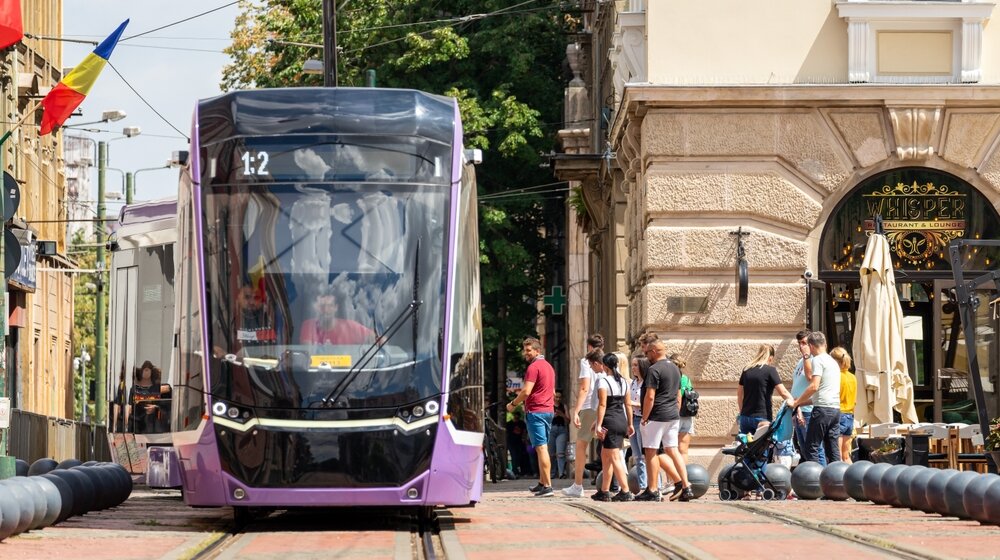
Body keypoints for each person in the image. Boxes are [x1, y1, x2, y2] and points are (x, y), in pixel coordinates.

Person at [638, 340, 693, 502]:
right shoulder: (676, 369)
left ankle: (653, 489)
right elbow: (678, 395)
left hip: (656, 416)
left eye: (647, 352)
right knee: (672, 450)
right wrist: (675, 411)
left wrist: (645, 417)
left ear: (655, 351)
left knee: (651, 451)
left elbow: (650, 397)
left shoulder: (654, 369)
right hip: (673, 416)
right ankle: (686, 485)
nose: (646, 356)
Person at [507, 337, 556, 497]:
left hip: (536, 411)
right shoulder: (549, 367)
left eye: (528, 350)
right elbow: (553, 392)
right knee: (541, 447)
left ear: (537, 351)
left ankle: (548, 486)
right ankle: (542, 482)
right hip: (548, 410)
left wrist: (513, 404)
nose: (525, 353)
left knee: (541, 448)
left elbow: (526, 391)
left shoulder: (533, 367)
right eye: (525, 350)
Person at [563, 334, 605, 498]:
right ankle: (617, 483)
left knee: (581, 446)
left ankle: (578, 485)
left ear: (589, 347)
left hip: (589, 406)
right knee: (609, 447)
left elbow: (584, 387)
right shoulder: (606, 359)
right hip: (604, 404)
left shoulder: (586, 361)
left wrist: (576, 410)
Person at [791, 332, 842, 465]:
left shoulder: (818, 360)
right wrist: (800, 404)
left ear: (811, 346)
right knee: (832, 448)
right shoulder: (833, 362)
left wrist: (797, 401)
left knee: (811, 447)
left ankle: (816, 481)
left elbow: (814, 386)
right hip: (835, 409)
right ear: (825, 344)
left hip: (822, 410)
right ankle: (836, 479)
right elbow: (822, 394)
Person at [591, 353, 634, 502]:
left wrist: (598, 424)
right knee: (605, 456)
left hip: (610, 421)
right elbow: (628, 404)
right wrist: (630, 423)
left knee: (614, 457)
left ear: (605, 366)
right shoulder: (623, 381)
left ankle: (625, 490)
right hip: (621, 420)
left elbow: (602, 405)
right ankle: (604, 490)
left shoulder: (603, 381)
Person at [737, 344, 796, 434]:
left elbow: (739, 394)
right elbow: (783, 392)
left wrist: (742, 411)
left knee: (746, 447)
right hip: (762, 417)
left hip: (745, 417)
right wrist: (795, 403)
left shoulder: (746, 370)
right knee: (763, 447)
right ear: (770, 358)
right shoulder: (770, 370)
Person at [299, 286, 375, 345]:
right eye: (322, 306)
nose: (326, 310)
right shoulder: (308, 326)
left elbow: (377, 338)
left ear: (336, 307)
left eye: (330, 306)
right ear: (317, 307)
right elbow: (307, 356)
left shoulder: (349, 327)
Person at [790, 330, 824, 465]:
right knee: (803, 447)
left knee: (814, 448)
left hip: (808, 410)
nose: (801, 346)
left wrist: (806, 357)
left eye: (804, 343)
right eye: (799, 343)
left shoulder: (813, 360)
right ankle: (812, 478)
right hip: (798, 408)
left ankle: (821, 477)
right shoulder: (802, 361)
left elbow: (811, 379)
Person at [128, 360, 171, 434]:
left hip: (157, 428)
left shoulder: (164, 389)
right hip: (140, 427)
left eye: (148, 370)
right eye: (145, 370)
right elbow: (132, 409)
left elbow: (167, 406)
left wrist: (156, 407)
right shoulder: (134, 389)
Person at [627, 352, 649, 492]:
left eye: (635, 365)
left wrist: (633, 403)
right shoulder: (633, 383)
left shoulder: (647, 383)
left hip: (643, 420)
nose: (633, 368)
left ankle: (654, 485)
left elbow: (649, 403)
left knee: (647, 456)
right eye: (632, 365)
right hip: (633, 420)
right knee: (637, 457)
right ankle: (642, 486)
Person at [831, 346, 857, 465]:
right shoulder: (853, 377)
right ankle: (853, 480)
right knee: (846, 456)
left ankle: (841, 482)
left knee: (838, 456)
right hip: (850, 416)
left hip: (839, 414)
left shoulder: (836, 376)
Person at [671, 353, 695, 464]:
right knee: (683, 450)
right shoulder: (686, 379)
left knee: (671, 450)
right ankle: (683, 476)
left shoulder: (672, 378)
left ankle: (671, 480)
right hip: (687, 415)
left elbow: (678, 397)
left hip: (675, 414)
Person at [549, 391, 569, 478]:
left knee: (560, 453)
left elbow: (569, 421)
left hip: (561, 430)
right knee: (551, 453)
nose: (558, 399)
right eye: (556, 397)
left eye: (560, 397)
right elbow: (545, 419)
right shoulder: (549, 406)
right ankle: (552, 473)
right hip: (551, 430)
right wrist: (553, 416)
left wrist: (562, 415)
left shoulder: (564, 406)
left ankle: (561, 473)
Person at [505, 410, 531, 477]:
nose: (516, 417)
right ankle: (515, 471)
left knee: (519, 457)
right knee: (514, 457)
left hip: (520, 443)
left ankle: (520, 471)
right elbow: (507, 433)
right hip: (511, 442)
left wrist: (524, 439)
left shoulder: (521, 423)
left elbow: (524, 432)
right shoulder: (509, 424)